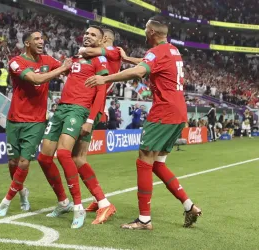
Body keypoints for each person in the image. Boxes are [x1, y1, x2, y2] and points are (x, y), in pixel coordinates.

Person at [85, 16, 202, 230]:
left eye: (145, 29)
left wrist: (106, 78)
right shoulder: (172, 50)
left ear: (152, 32)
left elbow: (142, 70)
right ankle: (189, 206)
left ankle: (144, 219)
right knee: (158, 164)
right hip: (178, 112)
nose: (144, 32)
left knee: (144, 160)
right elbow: (150, 65)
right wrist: (128, 59)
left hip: (163, 111)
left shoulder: (155, 52)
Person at [37, 26, 113, 229]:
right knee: (44, 158)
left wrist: (90, 119)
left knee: (64, 154)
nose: (88, 36)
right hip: (61, 108)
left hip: (79, 110)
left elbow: (101, 91)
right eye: (86, 33)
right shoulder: (76, 58)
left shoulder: (100, 60)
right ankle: (64, 203)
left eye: (93, 35)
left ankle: (78, 206)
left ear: (100, 41)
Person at [0, 30, 72, 217]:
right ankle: (21, 192)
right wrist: (61, 69)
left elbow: (68, 67)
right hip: (14, 119)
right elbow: (36, 79)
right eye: (36, 38)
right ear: (27, 43)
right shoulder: (16, 62)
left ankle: (5, 202)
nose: (41, 41)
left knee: (24, 161)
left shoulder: (47, 60)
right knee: (13, 161)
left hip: (36, 121)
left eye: (42, 38)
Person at [72, 27, 122, 216]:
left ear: (105, 39)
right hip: (89, 105)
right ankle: (98, 198)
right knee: (76, 157)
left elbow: (85, 50)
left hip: (91, 108)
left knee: (77, 158)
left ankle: (103, 201)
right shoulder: (106, 57)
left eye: (103, 40)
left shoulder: (112, 53)